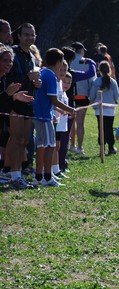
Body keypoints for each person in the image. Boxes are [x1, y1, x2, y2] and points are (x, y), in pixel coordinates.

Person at [5, 23, 41, 189]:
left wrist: (36, 83)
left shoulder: (32, 56)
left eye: (32, 35)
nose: (29, 38)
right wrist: (27, 76)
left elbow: (31, 79)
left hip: (29, 101)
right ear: (19, 36)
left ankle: (18, 174)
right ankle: (14, 175)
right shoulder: (13, 53)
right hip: (15, 101)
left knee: (25, 140)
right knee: (16, 138)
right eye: (26, 34)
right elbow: (9, 76)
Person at [32, 48, 75, 187]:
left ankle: (38, 177)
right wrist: (70, 109)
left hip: (38, 115)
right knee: (50, 146)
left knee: (41, 146)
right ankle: (47, 177)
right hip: (44, 116)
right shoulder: (50, 76)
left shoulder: (43, 71)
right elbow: (54, 100)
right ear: (58, 63)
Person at [0, 45, 34, 184]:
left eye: (10, 61)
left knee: (19, 139)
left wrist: (13, 97)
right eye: (4, 60)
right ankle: (14, 175)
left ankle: (12, 173)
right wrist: (9, 94)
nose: (8, 64)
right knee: (16, 138)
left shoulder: (4, 78)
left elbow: (3, 103)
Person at [70, 41, 96, 154]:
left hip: (70, 94)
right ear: (81, 51)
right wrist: (91, 96)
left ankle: (71, 144)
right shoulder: (86, 62)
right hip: (83, 95)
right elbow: (93, 81)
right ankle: (80, 147)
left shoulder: (67, 60)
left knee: (70, 122)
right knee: (80, 123)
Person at [89, 60, 119, 155]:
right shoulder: (113, 82)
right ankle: (111, 148)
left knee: (101, 129)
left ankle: (102, 148)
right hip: (110, 110)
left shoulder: (96, 81)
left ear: (99, 70)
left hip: (99, 110)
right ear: (109, 69)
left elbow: (92, 96)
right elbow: (117, 96)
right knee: (109, 129)